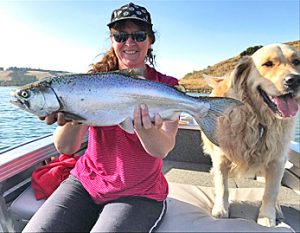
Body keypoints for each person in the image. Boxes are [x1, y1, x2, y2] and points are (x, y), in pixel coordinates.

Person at [23, 2, 179, 233]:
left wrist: (144, 128)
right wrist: (74, 117)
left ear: (150, 40)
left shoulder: (167, 87)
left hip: (139, 192)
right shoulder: (89, 84)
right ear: (112, 40)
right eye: (121, 36)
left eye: (138, 35)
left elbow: (162, 149)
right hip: (85, 182)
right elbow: (65, 146)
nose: (129, 43)